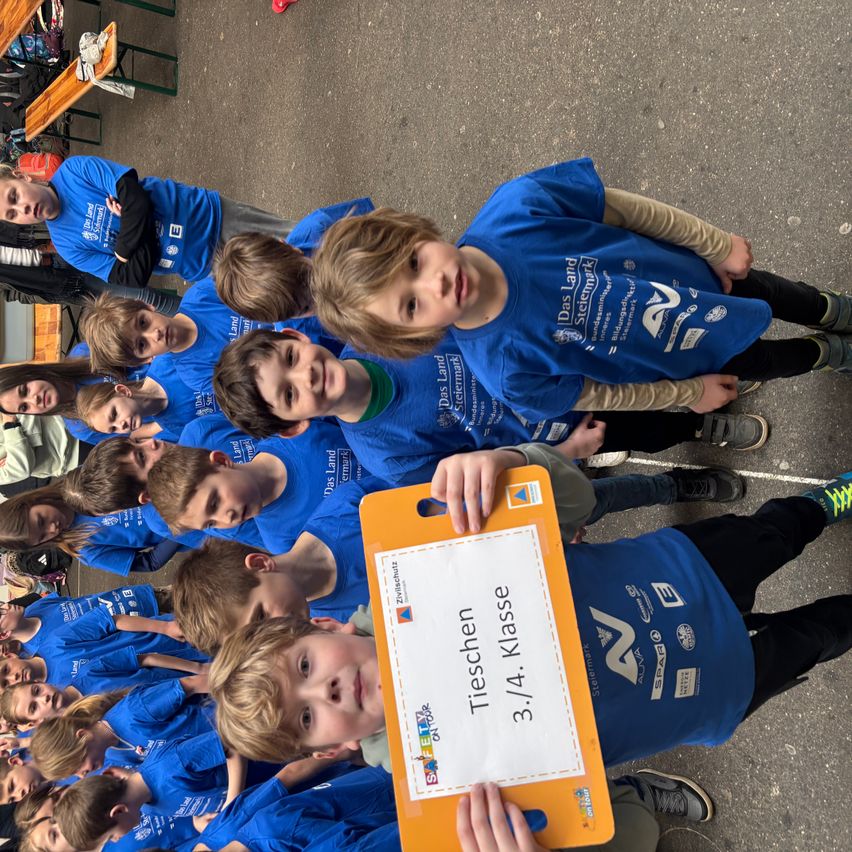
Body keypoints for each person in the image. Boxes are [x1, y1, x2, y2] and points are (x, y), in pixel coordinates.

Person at [208, 461, 852, 773]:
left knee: (779, 530)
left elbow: (570, 498)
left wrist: (512, 469)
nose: (329, 689)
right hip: (707, 689)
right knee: (820, 635)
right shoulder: (440, 780)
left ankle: (830, 501)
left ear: (323, 628)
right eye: (308, 714)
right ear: (336, 746)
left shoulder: (419, 570)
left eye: (305, 668)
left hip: (673, 578)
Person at [311, 161, 851, 423]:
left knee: (785, 296)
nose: (433, 283)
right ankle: (830, 354)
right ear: (413, 337)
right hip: (687, 357)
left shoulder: (517, 208)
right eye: (411, 305)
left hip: (704, 278)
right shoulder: (506, 373)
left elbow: (626, 209)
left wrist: (712, 243)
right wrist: (689, 393)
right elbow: (598, 395)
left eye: (413, 260)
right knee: (775, 360)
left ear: (415, 230)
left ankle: (832, 311)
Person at [214, 327, 771, 488]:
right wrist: (562, 454)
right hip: (566, 427)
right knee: (648, 433)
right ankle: (703, 426)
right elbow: (490, 470)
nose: (305, 373)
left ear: (294, 335)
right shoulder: (385, 456)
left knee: (644, 375)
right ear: (295, 425)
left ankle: (698, 392)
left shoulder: (379, 335)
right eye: (289, 393)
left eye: (290, 356)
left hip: (566, 371)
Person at [0, 156, 294, 295]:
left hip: (208, 216)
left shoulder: (74, 172)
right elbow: (131, 278)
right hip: (200, 266)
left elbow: (136, 198)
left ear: (22, 177)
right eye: (13, 214)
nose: (23, 208)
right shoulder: (66, 246)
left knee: (297, 238)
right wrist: (134, 222)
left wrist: (125, 247)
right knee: (285, 284)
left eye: (14, 196)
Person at [145, 424, 366, 551]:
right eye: (211, 523)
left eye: (215, 502)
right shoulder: (280, 540)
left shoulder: (291, 431)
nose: (227, 518)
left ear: (222, 461)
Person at [53, 730, 241, 846]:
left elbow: (232, 743)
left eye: (111, 837)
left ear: (118, 811)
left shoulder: (169, 766)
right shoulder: (149, 808)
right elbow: (187, 798)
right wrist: (198, 820)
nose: (116, 840)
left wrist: (232, 805)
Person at [80, 278, 271, 391]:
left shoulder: (202, 295)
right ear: (145, 360)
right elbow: (252, 386)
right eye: (142, 345)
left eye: (143, 322)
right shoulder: (194, 373)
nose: (155, 334)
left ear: (147, 306)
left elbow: (260, 285)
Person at [29, 676, 212, 780]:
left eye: (76, 768)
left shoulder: (133, 711)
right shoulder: (114, 754)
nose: (81, 775)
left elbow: (194, 683)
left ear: (83, 736)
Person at [0, 483, 181, 576]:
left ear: (32, 501)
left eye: (41, 521)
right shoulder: (83, 549)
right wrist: (181, 528)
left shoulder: (80, 483)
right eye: (43, 537)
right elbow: (149, 563)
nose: (52, 528)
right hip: (196, 527)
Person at [73, 353, 220, 442]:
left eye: (114, 414)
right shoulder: (172, 427)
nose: (121, 426)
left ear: (123, 391)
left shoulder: (166, 363)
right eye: (113, 429)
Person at [0, 583, 165, 658]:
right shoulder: (42, 650)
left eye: (1, 604)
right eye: (1, 613)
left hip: (141, 596)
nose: (6, 606)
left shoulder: (35, 607)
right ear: (4, 634)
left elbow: (82, 600)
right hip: (151, 627)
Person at [0, 414, 81, 498]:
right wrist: (9, 425)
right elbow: (20, 468)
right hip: (70, 454)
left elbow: (24, 407)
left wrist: (23, 447)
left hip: (65, 412)